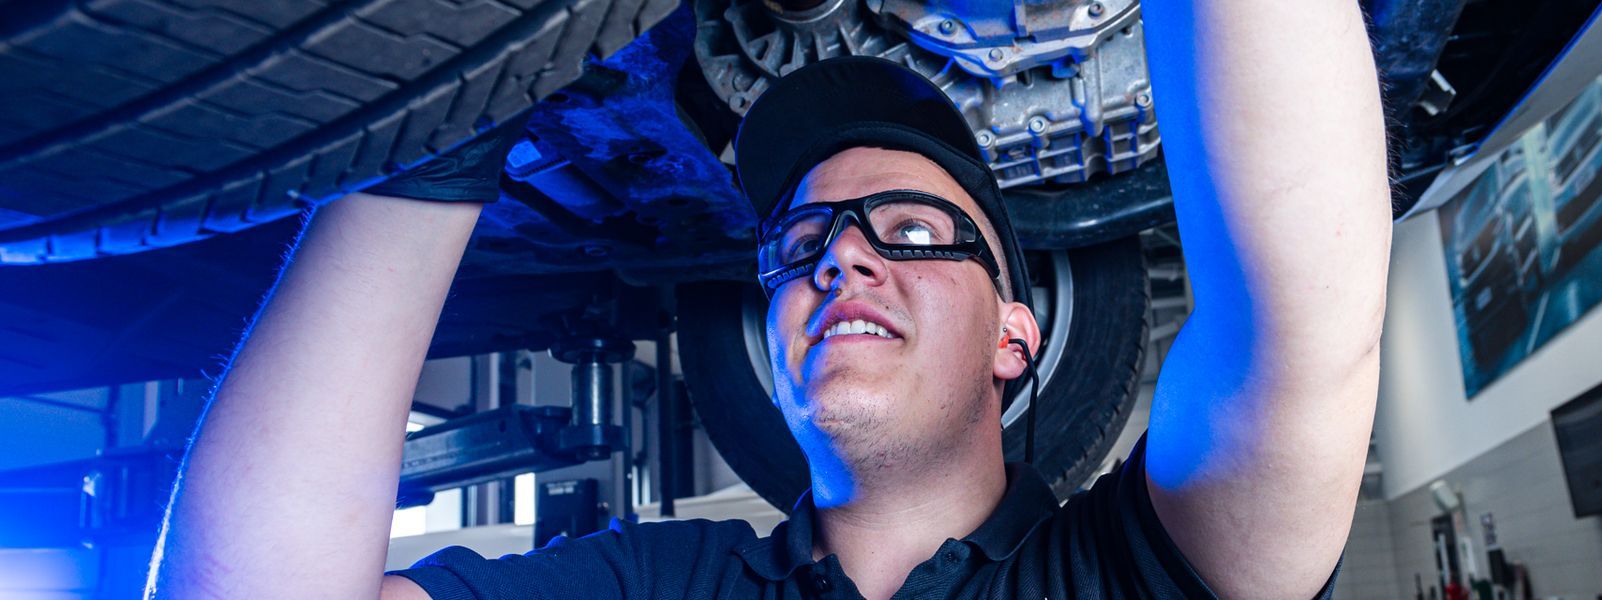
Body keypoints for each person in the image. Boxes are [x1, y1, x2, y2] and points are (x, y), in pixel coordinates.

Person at [147, 1, 1390, 598]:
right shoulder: (668, 587)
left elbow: (1304, 336)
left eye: (908, 233)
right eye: (800, 246)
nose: (838, 263)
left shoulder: (1132, 575)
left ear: (1019, 334)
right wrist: (438, 117)